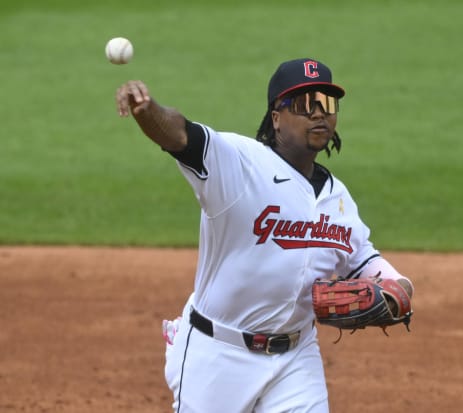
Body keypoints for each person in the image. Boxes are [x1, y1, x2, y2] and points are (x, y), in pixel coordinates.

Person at [116, 58, 414, 413]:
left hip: (297, 359)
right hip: (218, 355)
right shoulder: (238, 163)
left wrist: (399, 288)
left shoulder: (339, 198)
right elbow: (179, 135)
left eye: (327, 103)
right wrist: (147, 112)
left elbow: (365, 260)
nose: (319, 113)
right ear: (276, 118)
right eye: (305, 104)